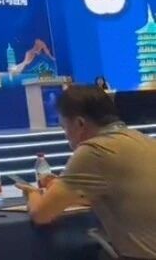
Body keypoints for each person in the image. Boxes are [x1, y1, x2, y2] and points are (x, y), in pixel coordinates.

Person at [21, 86, 156, 259]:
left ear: (80, 124)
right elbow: (120, 193)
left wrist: (32, 193)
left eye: (64, 127)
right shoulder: (143, 140)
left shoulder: (93, 151)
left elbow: (42, 214)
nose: (66, 136)